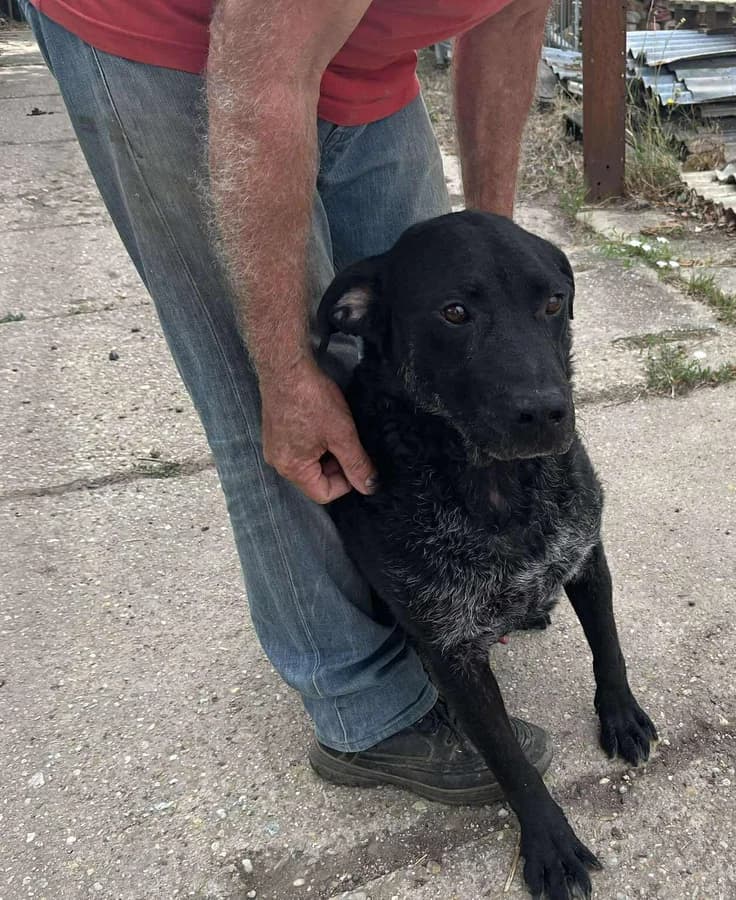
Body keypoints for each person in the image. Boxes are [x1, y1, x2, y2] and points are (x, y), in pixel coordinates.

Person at [19, 0, 555, 803]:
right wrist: (282, 370)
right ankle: (363, 712)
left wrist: (492, 247)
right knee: (282, 407)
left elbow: (510, 18)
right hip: (173, 40)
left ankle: (419, 605)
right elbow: (260, 78)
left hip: (358, 51)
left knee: (418, 363)